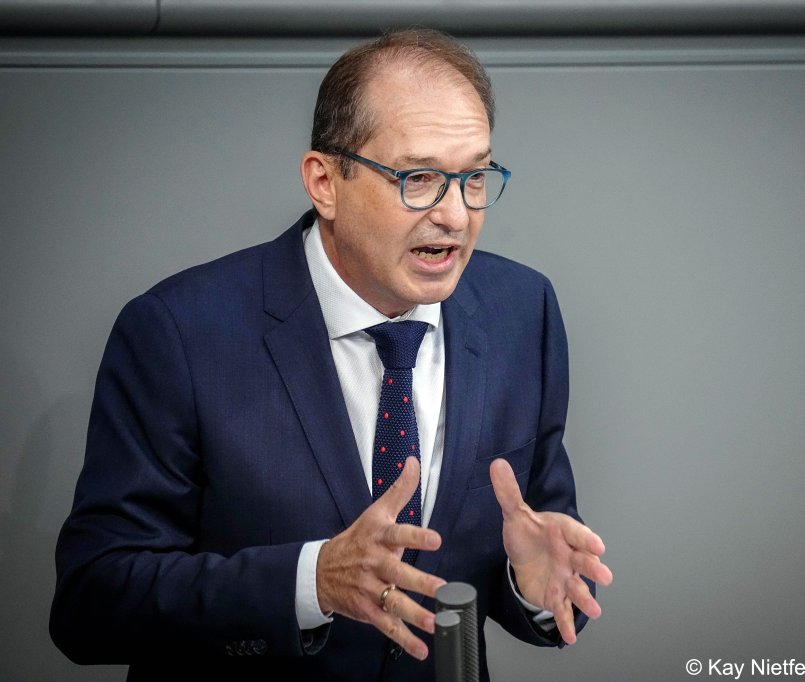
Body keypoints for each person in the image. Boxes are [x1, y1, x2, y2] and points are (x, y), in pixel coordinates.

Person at [50, 28, 612, 681]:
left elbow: (539, 537)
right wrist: (310, 582)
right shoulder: (178, 332)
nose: (457, 216)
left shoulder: (522, 310)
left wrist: (529, 584)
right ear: (325, 182)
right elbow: (93, 601)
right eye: (420, 178)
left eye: (474, 177)